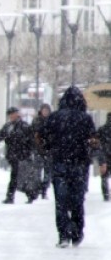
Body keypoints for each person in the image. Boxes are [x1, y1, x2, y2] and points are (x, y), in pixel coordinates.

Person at [41, 86, 98, 247]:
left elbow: (40, 136)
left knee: (61, 201)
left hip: (59, 163)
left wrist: (48, 149)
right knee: (78, 200)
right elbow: (93, 140)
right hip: (80, 164)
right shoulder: (85, 119)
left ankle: (63, 234)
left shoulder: (54, 117)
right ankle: (77, 233)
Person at [0, 107, 37, 204]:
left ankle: (26, 194)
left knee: (19, 177)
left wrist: (29, 152)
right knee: (16, 176)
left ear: (17, 114)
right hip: (13, 155)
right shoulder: (8, 127)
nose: (11, 116)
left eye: (13, 114)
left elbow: (31, 141)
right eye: (9, 115)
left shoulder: (24, 126)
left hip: (23, 156)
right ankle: (16, 196)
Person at [31, 103, 52, 199]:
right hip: (38, 150)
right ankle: (38, 188)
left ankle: (44, 189)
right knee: (37, 172)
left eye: (47, 110)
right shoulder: (36, 121)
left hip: (49, 150)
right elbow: (32, 134)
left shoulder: (52, 121)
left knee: (48, 173)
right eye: (44, 110)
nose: (45, 112)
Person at [95, 112, 111, 202]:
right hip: (106, 154)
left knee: (104, 176)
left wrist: (101, 160)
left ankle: (106, 195)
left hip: (104, 155)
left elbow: (97, 145)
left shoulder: (102, 129)